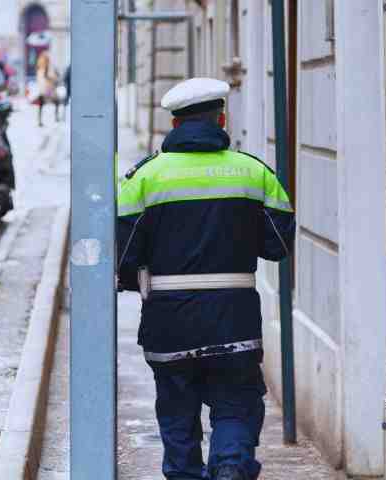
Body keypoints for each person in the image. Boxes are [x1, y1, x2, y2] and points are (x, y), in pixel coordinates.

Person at [116, 78, 295, 480]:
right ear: (222, 118)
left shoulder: (144, 178)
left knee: (177, 415)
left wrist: (137, 277)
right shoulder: (253, 172)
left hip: (168, 323)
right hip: (235, 320)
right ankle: (230, 468)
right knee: (236, 404)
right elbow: (278, 245)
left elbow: (125, 258)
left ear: (175, 125)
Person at [35, 51, 59, 126]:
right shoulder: (43, 69)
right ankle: (41, 120)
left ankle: (41, 120)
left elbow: (53, 78)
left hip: (46, 89)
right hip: (46, 89)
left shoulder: (43, 69)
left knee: (43, 104)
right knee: (44, 104)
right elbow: (45, 79)